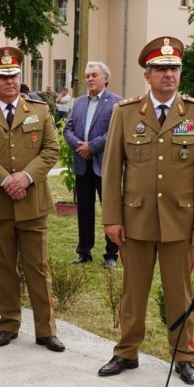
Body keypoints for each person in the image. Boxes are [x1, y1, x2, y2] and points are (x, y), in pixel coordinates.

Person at [99, 36, 194, 385]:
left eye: (174, 68)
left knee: (180, 292)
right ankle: (126, 351)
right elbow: (111, 172)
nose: (169, 74)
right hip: (135, 219)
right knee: (133, 292)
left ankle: (183, 356)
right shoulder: (126, 113)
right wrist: (112, 219)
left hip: (180, 222)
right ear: (147, 75)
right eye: (161, 69)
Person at [0, 46, 64, 352]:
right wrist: (5, 180)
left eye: (14, 75)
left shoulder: (40, 111)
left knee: (38, 268)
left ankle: (46, 330)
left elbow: (51, 150)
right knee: (2, 268)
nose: (10, 81)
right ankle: (8, 323)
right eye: (2, 76)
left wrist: (25, 177)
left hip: (32, 203)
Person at [63, 61, 121, 269]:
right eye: (87, 76)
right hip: (82, 165)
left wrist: (92, 147)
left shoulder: (116, 103)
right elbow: (67, 129)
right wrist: (79, 147)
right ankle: (84, 251)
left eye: (94, 75)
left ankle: (111, 254)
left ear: (105, 78)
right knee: (85, 210)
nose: (89, 79)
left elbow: (114, 132)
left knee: (110, 210)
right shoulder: (78, 102)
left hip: (104, 165)